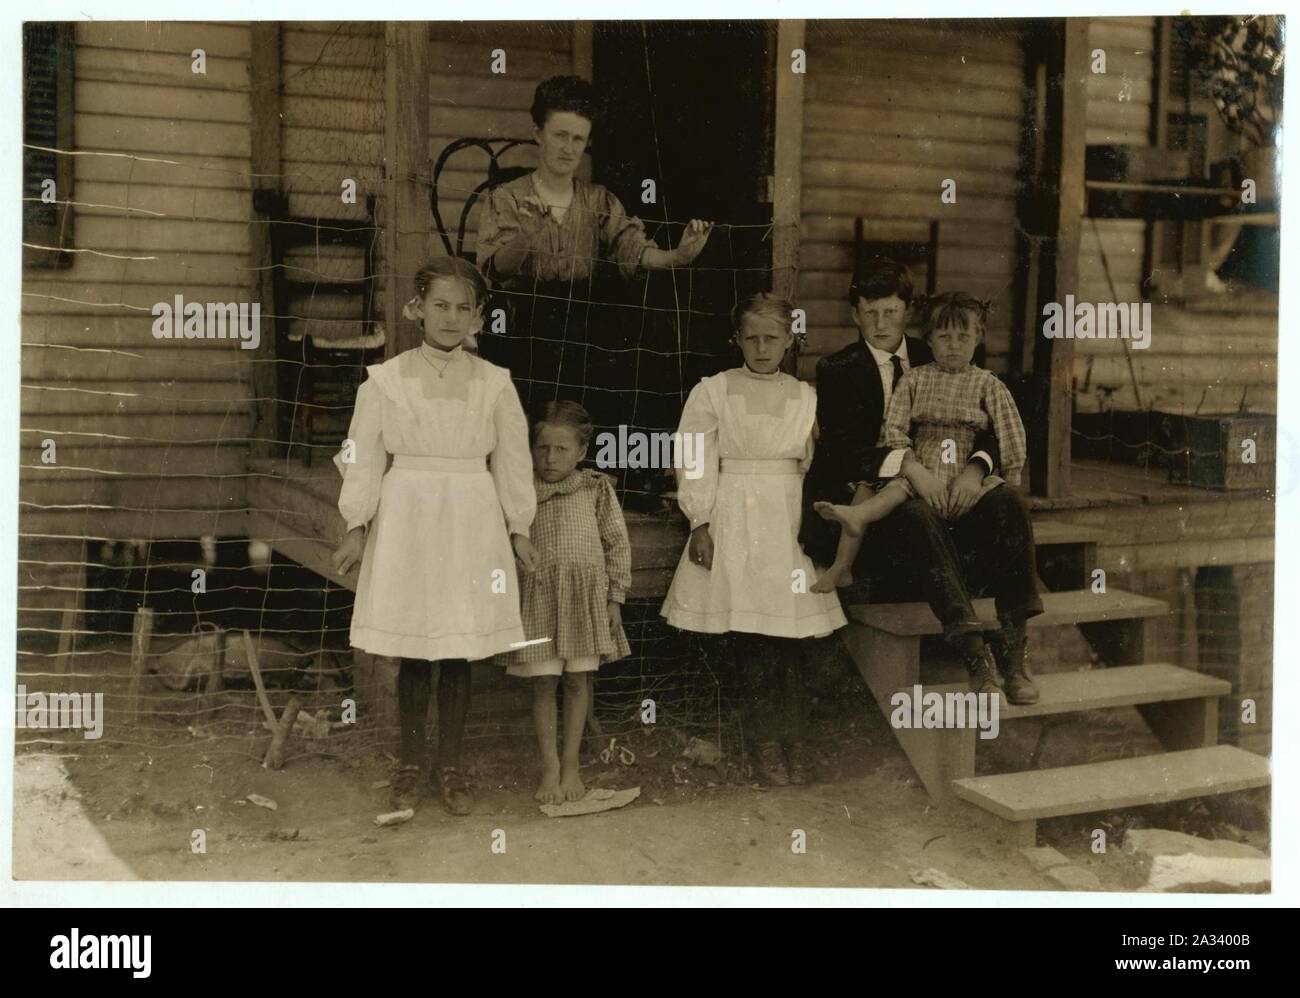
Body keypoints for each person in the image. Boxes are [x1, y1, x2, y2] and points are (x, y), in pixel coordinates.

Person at [331, 257, 537, 814]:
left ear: (478, 316)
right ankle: (410, 765)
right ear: (417, 309)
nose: (450, 317)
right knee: (414, 650)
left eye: (463, 308)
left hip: (471, 517)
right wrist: (356, 525)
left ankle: (450, 766)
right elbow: (364, 455)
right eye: (439, 305)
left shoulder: (494, 383)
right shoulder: (386, 379)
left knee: (457, 649)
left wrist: (519, 529)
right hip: (407, 518)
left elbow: (513, 462)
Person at [814, 291, 1043, 704]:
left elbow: (1011, 438)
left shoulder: (988, 385)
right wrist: (915, 471)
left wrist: (981, 474)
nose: (952, 345)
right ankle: (975, 655)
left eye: (962, 336)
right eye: (943, 336)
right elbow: (894, 434)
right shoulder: (913, 378)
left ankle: (1013, 651)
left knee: (1011, 505)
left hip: (968, 487)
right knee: (914, 514)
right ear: (930, 340)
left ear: (978, 339)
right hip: (920, 485)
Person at [661, 293, 846, 786]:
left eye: (772, 338)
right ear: (737, 340)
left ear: (790, 340)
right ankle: (764, 746)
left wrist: (819, 524)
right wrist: (700, 522)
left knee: (792, 640)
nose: (762, 347)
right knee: (752, 640)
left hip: (788, 518)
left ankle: (797, 745)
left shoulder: (807, 396)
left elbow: (817, 465)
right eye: (752, 337)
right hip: (734, 515)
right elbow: (695, 456)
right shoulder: (714, 391)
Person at [475, 75, 712, 430]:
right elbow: (496, 270)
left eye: (578, 139)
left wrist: (677, 257)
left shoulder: (598, 200)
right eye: (560, 135)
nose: (568, 148)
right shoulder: (507, 197)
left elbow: (629, 247)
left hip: (581, 322)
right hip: (521, 325)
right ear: (538, 133)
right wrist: (525, 237)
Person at [498, 400, 633, 804]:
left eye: (561, 449)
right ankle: (550, 767)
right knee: (544, 683)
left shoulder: (595, 487)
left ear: (581, 452)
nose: (551, 457)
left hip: (584, 601)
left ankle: (572, 764)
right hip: (540, 600)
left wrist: (615, 598)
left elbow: (616, 543)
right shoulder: (522, 492)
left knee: (578, 681)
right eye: (543, 448)